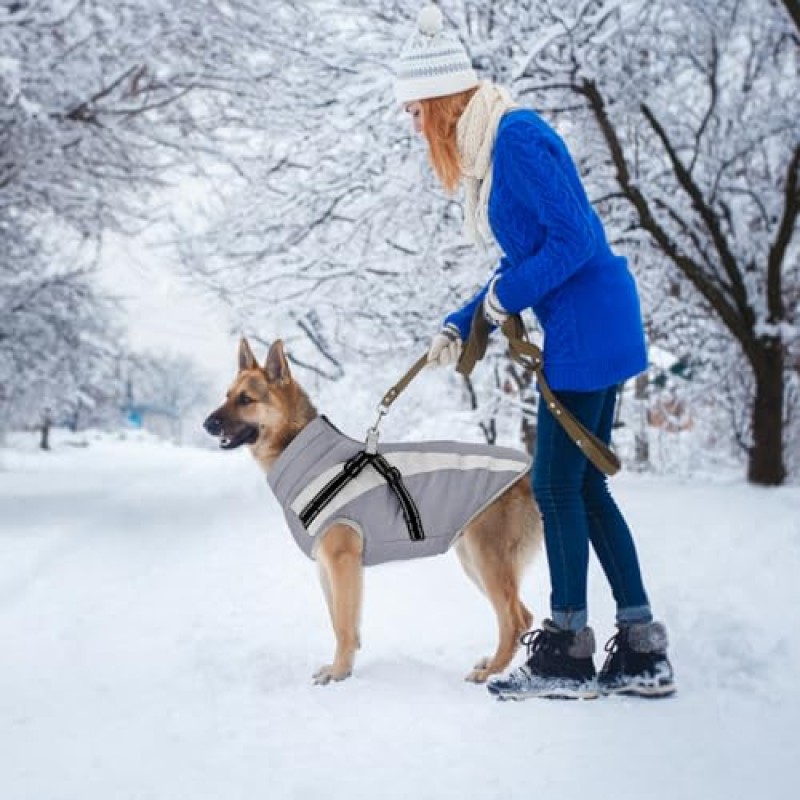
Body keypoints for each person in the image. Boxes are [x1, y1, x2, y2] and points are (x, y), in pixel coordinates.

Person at [394, 5, 675, 700]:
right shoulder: (498, 147)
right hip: (588, 321)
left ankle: (568, 649)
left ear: (437, 100)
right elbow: (525, 260)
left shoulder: (516, 139)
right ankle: (640, 645)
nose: (414, 126)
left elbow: (573, 241)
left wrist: (501, 302)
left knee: (554, 486)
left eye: (414, 112)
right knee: (581, 485)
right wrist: (463, 323)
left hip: (587, 324)